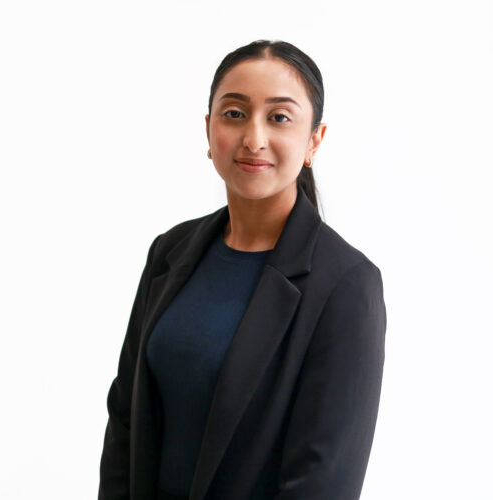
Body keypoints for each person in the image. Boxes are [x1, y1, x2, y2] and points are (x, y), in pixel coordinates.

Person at [98, 39, 387, 500]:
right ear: (208, 128)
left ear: (314, 140)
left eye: (279, 117)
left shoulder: (345, 284)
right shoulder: (170, 252)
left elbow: (321, 480)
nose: (254, 139)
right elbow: (125, 421)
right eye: (234, 113)